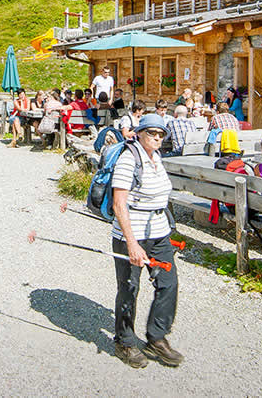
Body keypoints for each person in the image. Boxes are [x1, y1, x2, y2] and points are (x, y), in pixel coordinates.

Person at [108, 114, 182, 368]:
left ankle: (156, 337)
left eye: (161, 134)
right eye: (152, 133)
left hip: (159, 232)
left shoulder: (157, 157)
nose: (158, 138)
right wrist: (132, 243)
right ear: (139, 133)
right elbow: (119, 204)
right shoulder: (129, 158)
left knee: (168, 283)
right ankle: (125, 342)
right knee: (130, 287)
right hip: (131, 233)